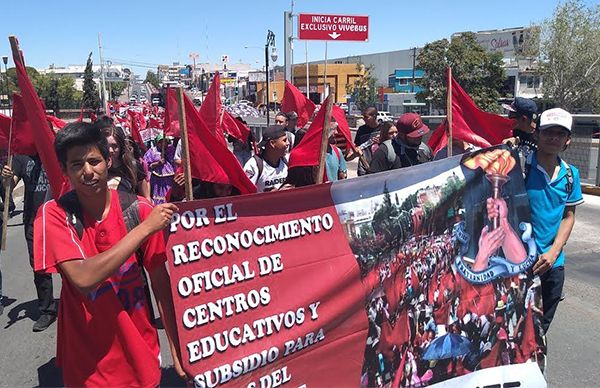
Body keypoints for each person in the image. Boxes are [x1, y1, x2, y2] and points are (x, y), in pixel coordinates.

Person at [33, 122, 185, 386]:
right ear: (65, 170)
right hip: (87, 366)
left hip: (142, 355)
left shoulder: (139, 210)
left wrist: (177, 346)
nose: (88, 172)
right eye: (77, 164)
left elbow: (161, 285)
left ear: (108, 160)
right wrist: (144, 230)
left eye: (94, 160)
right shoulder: (54, 214)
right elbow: (82, 278)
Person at [525, 108, 583, 334]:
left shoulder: (571, 175)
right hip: (520, 264)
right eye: (548, 131)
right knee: (515, 328)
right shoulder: (520, 166)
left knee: (541, 329)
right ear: (537, 134)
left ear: (567, 140)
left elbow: (569, 216)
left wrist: (553, 252)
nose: (553, 138)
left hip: (553, 265)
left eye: (560, 133)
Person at [2, 154, 57, 331]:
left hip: (59, 218)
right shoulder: (20, 159)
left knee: (70, 264)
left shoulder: (55, 150)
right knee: (39, 267)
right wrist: (7, 179)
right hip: (33, 220)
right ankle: (47, 310)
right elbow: (10, 185)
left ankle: (77, 304)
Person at [99, 123, 151, 201]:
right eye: (106, 146)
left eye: (114, 146)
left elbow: (146, 196)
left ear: (121, 147)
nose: (110, 150)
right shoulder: (97, 167)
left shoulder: (133, 166)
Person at [244, 125, 289, 192]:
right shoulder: (254, 165)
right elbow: (246, 194)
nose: (288, 143)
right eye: (284, 140)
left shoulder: (286, 162)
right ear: (272, 143)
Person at [144, 133, 175, 204]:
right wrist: (158, 163)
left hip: (169, 177)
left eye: (165, 142)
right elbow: (147, 166)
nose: (164, 144)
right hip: (157, 178)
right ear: (157, 143)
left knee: (169, 194)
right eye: (161, 142)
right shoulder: (152, 151)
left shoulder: (171, 149)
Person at [349, 107, 380, 176]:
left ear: (374, 116)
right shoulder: (361, 130)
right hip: (364, 167)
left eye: (366, 117)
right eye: (363, 117)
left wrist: (381, 141)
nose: (364, 119)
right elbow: (357, 146)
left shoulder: (383, 128)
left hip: (379, 166)